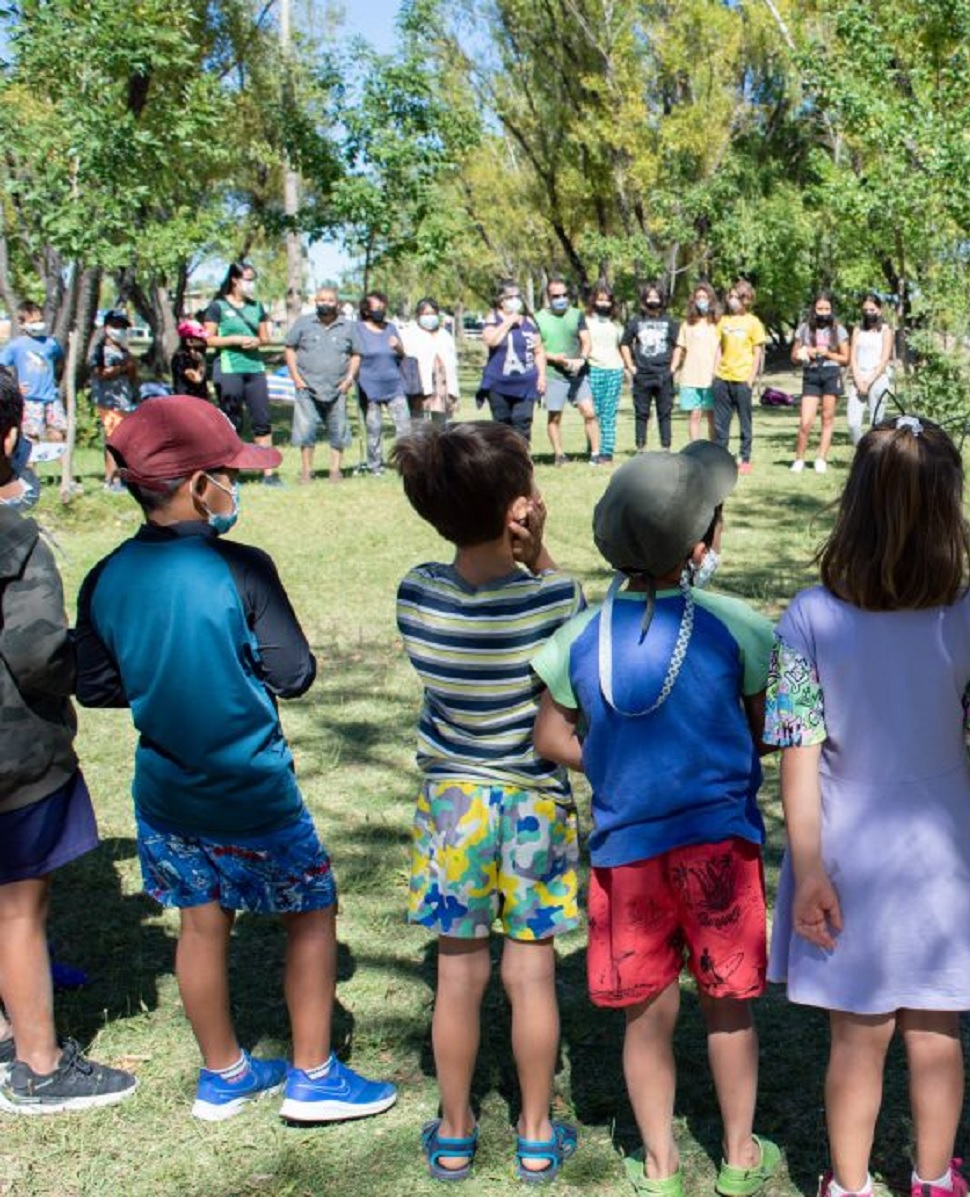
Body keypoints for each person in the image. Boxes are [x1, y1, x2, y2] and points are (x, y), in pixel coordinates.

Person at [71, 396, 398, 1124]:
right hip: (254, 788)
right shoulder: (242, 568)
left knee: (200, 919)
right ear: (196, 486)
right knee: (312, 911)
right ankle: (314, 1073)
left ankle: (223, 1072)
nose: (232, 486)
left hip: (164, 790)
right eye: (225, 473)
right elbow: (295, 672)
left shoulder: (104, 576)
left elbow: (93, 683)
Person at [767, 415, 970, 1197]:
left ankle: (848, 1184)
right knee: (938, 1035)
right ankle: (936, 1179)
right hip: (939, 856)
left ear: (854, 506)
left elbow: (796, 754)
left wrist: (809, 869)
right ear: (951, 510)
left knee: (856, 1039)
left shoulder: (807, 618)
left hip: (843, 856)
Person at [531, 441, 784, 1197]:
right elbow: (768, 729)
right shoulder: (738, 625)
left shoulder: (578, 636)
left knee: (646, 1015)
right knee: (728, 1008)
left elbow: (549, 734)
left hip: (625, 855)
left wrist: (611, 759)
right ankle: (740, 1156)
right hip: (720, 853)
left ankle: (659, 1166)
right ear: (702, 544)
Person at [392, 423, 585, 1182]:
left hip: (452, 807)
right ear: (519, 507)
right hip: (533, 802)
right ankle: (536, 1131)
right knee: (531, 973)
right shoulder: (556, 596)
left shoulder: (417, 593)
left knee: (458, 975)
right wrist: (538, 550)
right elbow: (570, 652)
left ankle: (454, 1126)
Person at [0, 373, 139, 1114]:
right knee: (19, 906)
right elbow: (35, 653)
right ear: (9, 439)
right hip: (14, 759)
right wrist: (84, 659)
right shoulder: (15, 538)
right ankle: (40, 1065)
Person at [202, 263, 280, 484]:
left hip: (254, 369)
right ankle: (230, 474)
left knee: (262, 421)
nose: (251, 284)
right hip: (229, 369)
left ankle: (269, 473)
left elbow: (266, 338)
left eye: (253, 279)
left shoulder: (257, 307)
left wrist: (258, 340)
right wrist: (233, 340)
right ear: (235, 280)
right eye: (247, 279)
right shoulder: (217, 306)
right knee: (232, 421)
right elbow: (207, 338)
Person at [282, 285, 356, 484]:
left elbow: (356, 354)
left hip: (338, 387)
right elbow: (289, 348)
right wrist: (296, 378)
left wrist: (349, 379)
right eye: (321, 300)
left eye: (330, 300)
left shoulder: (348, 326)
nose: (326, 304)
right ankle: (307, 471)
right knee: (306, 430)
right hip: (307, 387)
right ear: (315, 302)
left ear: (337, 303)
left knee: (338, 429)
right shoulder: (304, 323)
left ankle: (335, 471)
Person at [348, 291, 410, 476]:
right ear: (366, 310)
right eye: (376, 307)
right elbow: (352, 354)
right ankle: (375, 465)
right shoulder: (357, 329)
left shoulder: (390, 328)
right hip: (369, 387)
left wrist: (397, 346)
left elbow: (402, 354)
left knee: (404, 426)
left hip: (394, 384)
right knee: (374, 428)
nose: (380, 311)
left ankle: (406, 463)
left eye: (383, 307)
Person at [535, 278, 595, 466]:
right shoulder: (539, 318)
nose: (561, 299)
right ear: (548, 297)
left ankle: (595, 455)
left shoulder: (577, 315)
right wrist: (555, 359)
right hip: (554, 374)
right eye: (556, 296)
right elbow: (537, 349)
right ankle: (559, 455)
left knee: (589, 412)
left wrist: (582, 359)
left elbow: (586, 341)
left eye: (564, 295)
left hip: (578, 374)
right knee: (555, 417)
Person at [480, 281, 547, 441]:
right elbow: (491, 341)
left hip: (526, 382)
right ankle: (504, 460)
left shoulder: (529, 322)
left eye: (517, 296)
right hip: (499, 383)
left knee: (522, 421)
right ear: (500, 300)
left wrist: (542, 376)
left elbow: (538, 351)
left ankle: (521, 458)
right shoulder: (492, 319)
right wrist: (509, 322)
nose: (514, 300)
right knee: (502, 424)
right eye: (510, 297)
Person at [713, 284, 767, 474]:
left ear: (747, 299)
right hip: (722, 379)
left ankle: (745, 457)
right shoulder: (724, 321)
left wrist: (750, 379)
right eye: (730, 296)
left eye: (736, 296)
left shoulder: (753, 322)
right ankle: (720, 458)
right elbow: (719, 347)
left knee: (745, 422)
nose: (732, 300)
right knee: (721, 424)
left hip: (742, 379)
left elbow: (758, 352)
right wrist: (716, 371)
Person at [792, 294, 850, 473]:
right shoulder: (803, 329)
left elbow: (845, 358)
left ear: (831, 310)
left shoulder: (839, 330)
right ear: (813, 309)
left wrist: (828, 353)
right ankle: (799, 459)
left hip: (831, 374)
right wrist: (805, 352)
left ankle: (821, 458)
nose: (823, 312)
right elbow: (793, 357)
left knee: (827, 418)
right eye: (820, 309)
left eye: (826, 309)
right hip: (811, 374)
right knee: (805, 421)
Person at [622, 284, 678, 452]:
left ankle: (665, 447)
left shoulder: (669, 322)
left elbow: (678, 346)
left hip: (664, 375)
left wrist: (673, 368)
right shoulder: (636, 321)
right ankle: (640, 447)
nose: (653, 300)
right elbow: (624, 344)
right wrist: (631, 367)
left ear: (661, 299)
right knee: (641, 413)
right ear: (644, 299)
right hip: (642, 375)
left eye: (656, 296)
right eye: (649, 296)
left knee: (665, 414)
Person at [0, 301, 65, 444]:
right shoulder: (16, 346)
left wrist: (56, 381)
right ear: (22, 324)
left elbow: (60, 361)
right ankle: (29, 466)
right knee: (30, 437)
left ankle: (64, 466)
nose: (38, 325)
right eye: (33, 322)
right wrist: (14, 387)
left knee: (58, 433)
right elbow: (2, 366)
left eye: (40, 321)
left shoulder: (50, 343)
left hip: (51, 397)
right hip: (30, 399)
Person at [89, 311, 139, 494]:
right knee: (113, 439)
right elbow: (99, 373)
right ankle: (110, 479)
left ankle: (121, 476)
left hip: (125, 401)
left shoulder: (124, 351)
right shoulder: (100, 350)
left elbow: (133, 376)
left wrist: (132, 369)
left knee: (124, 440)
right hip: (107, 402)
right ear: (107, 327)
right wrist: (122, 368)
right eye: (117, 326)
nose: (121, 330)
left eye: (124, 327)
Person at [580, 285, 626, 465]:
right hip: (593, 368)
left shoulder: (616, 324)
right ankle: (593, 448)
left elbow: (621, 346)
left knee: (609, 413)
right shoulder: (586, 321)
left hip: (614, 369)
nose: (604, 303)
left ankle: (606, 452)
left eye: (607, 300)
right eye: (600, 299)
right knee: (592, 412)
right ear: (593, 300)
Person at [399, 298, 461, 428]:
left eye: (433, 313)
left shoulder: (445, 335)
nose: (430, 317)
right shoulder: (408, 334)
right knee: (420, 429)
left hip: (443, 391)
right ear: (418, 315)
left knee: (442, 428)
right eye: (426, 314)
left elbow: (452, 365)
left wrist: (455, 393)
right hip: (420, 390)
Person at [673, 284, 723, 445]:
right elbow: (679, 348)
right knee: (695, 415)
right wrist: (672, 367)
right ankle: (695, 448)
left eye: (705, 297)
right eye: (698, 297)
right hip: (691, 377)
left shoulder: (718, 323)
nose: (702, 300)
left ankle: (714, 448)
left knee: (712, 416)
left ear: (711, 300)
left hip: (712, 377)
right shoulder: (687, 324)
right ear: (693, 301)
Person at [846, 294, 894, 443]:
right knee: (853, 423)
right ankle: (861, 452)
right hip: (858, 378)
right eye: (865, 310)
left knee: (876, 422)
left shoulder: (886, 331)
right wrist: (859, 380)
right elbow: (853, 357)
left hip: (878, 378)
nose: (868, 313)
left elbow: (884, 360)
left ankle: (875, 457)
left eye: (872, 310)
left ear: (879, 310)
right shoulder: (857, 330)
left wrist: (869, 381)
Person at [172, 319, 212, 400]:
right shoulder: (181, 357)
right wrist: (202, 362)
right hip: (186, 400)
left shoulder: (196, 355)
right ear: (189, 341)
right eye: (199, 338)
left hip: (200, 399)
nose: (203, 341)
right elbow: (197, 379)